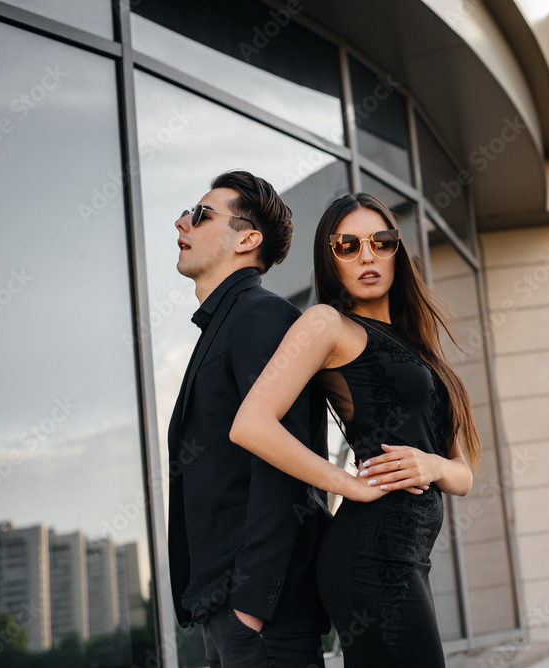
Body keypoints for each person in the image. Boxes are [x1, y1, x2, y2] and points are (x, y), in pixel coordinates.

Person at [230, 192, 482, 667]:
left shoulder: (418, 345)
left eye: (380, 242)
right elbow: (250, 424)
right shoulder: (327, 324)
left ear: (396, 252)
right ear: (331, 260)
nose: (366, 256)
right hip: (369, 553)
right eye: (347, 246)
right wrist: (346, 485)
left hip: (409, 555)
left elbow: (463, 477)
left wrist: (429, 464)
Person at [167, 170, 330, 668]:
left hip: (260, 615)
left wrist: (251, 608)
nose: (182, 222)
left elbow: (283, 464)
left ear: (248, 239)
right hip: (227, 609)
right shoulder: (227, 323)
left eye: (201, 214)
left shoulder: (260, 317)